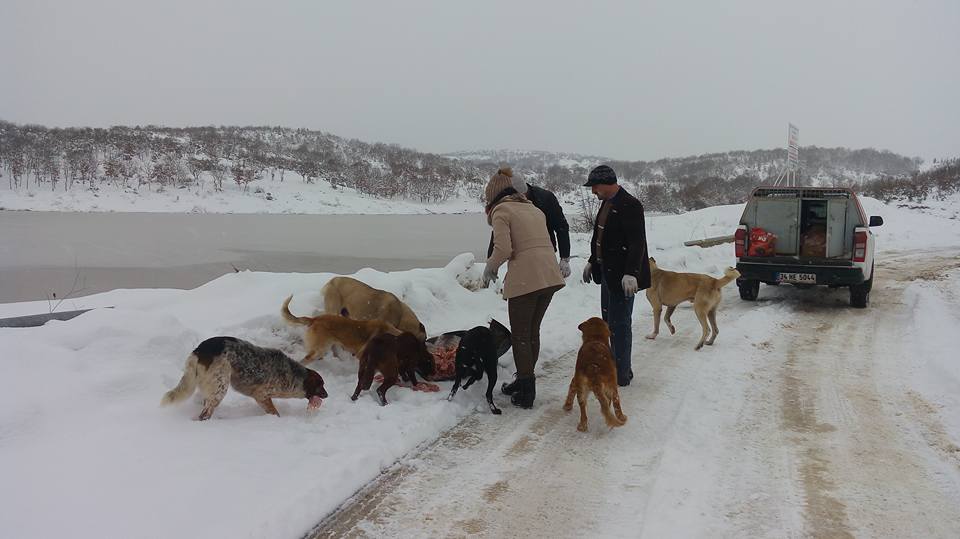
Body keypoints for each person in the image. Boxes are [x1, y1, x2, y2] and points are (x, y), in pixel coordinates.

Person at [482, 166, 565, 408]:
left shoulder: (501, 211)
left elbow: (504, 249)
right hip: (549, 277)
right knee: (532, 332)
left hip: (526, 280)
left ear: (493, 194)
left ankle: (526, 390)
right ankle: (523, 380)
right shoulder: (533, 209)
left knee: (520, 335)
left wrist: (491, 267)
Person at [581, 165, 650, 386]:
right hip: (608, 276)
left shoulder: (630, 205)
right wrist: (593, 261)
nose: (593, 191)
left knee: (620, 326)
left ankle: (621, 373)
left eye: (595, 187)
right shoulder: (606, 204)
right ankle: (612, 366)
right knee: (607, 324)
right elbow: (599, 238)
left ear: (607, 183)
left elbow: (637, 242)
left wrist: (631, 273)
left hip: (623, 279)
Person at [487, 176, 572, 278]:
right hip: (522, 253)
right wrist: (491, 263)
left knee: (544, 281)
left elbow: (561, 227)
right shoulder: (509, 203)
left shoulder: (546, 199)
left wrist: (565, 258)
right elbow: (498, 232)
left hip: (546, 250)